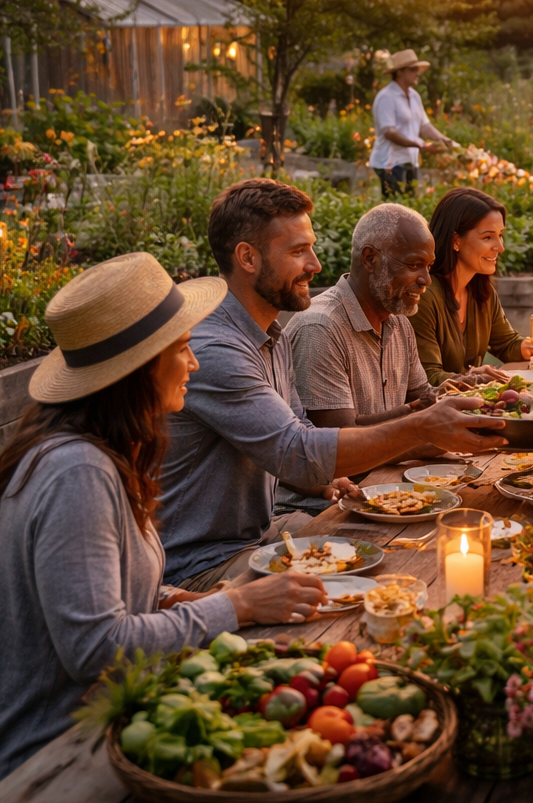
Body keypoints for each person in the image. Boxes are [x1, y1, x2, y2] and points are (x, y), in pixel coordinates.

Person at [0, 253, 332, 794]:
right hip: (44, 758)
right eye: (183, 348)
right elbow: (93, 648)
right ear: (141, 369)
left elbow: (88, 591)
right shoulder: (76, 472)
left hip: (103, 718)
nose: (196, 363)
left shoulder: (95, 453)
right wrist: (236, 605)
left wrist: (166, 598)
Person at [156, 179, 505, 593]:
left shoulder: (271, 335)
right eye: (298, 251)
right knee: (390, 579)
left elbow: (302, 436)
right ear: (247, 257)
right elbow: (297, 452)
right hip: (199, 566)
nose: (316, 264)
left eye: (311, 247)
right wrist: (421, 426)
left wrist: (324, 481)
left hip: (259, 535)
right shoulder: (218, 350)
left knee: (409, 552)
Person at [279, 203, 438, 512]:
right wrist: (429, 433)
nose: (426, 279)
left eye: (429, 266)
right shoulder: (321, 328)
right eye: (414, 264)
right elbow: (343, 446)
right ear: (370, 259)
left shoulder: (399, 322)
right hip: (317, 511)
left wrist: (467, 399)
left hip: (384, 490)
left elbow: (426, 400)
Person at [409, 187, 533, 385]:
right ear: (456, 241)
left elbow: (506, 343)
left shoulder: (482, 292)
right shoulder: (425, 297)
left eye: (500, 234)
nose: (500, 247)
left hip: (473, 407)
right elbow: (429, 378)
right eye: (488, 237)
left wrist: (531, 346)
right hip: (436, 412)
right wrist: (474, 379)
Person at [367, 49, 457, 198]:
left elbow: (424, 126)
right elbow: (389, 132)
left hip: (410, 161)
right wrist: (422, 145)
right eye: (412, 69)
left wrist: (443, 140)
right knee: (394, 211)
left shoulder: (414, 96)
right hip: (389, 164)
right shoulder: (386, 97)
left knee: (409, 207)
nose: (417, 73)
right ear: (400, 72)